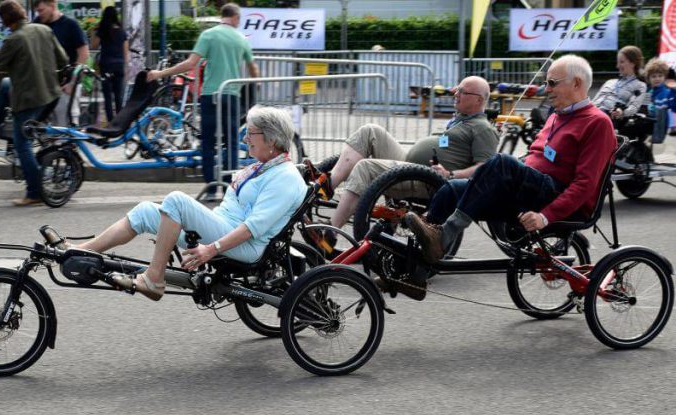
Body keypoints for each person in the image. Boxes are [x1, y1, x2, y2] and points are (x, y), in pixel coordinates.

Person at [401, 55, 616, 299]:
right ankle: (414, 272)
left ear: (577, 84)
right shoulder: (557, 115)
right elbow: (538, 157)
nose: (547, 89)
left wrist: (546, 217)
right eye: (547, 83)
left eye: (553, 83)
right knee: (452, 189)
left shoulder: (597, 123)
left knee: (502, 161)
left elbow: (585, 185)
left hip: (553, 195)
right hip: (531, 188)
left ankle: (443, 236)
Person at [75, 106, 307, 301]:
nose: (245, 138)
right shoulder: (264, 166)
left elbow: (252, 228)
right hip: (226, 227)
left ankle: (154, 278)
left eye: (251, 133)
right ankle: (80, 251)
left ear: (272, 140)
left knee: (176, 201)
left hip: (247, 245)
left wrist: (210, 249)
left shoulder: (284, 177)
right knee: (145, 211)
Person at [309, 75, 498, 230]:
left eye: (462, 92)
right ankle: (328, 186)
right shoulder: (460, 120)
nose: (456, 94)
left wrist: (451, 174)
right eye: (457, 89)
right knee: (370, 130)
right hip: (411, 166)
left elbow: (484, 169)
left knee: (364, 167)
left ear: (479, 99)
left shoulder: (483, 128)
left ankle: (331, 231)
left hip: (426, 180)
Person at [147, 3, 260, 200]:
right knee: (232, 142)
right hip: (232, 94)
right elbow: (253, 70)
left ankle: (209, 188)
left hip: (210, 95)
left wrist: (160, 73)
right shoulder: (241, 39)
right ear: (235, 18)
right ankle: (228, 189)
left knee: (208, 141)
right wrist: (253, 87)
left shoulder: (208, 35)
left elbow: (190, 63)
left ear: (222, 15)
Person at [0, 0, 68, 206]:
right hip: (51, 95)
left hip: (29, 100)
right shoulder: (44, 30)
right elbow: (63, 59)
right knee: (6, 83)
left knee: (23, 145)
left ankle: (35, 192)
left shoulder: (14, 40)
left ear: (5, 20)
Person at [34, 0, 89, 126]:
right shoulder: (37, 24)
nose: (39, 14)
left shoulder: (70, 25)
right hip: (44, 86)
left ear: (52, 6)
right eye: (37, 11)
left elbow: (84, 53)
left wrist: (72, 82)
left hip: (66, 85)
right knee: (46, 130)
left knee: (65, 127)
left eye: (41, 10)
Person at [90, 6, 129, 123]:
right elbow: (126, 54)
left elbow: (93, 46)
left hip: (106, 66)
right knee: (118, 96)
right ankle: (120, 121)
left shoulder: (102, 31)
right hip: (119, 66)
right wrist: (125, 68)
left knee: (107, 96)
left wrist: (93, 31)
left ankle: (111, 122)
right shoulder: (122, 32)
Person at [593, 45, 647, 122]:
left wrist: (622, 112)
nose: (617, 66)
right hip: (592, 114)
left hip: (607, 119)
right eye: (618, 62)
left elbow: (633, 106)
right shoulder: (610, 82)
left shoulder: (640, 85)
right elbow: (593, 101)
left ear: (633, 63)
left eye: (621, 62)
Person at [644, 58, 675, 144]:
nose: (657, 79)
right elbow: (643, 108)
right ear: (648, 78)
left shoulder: (668, 92)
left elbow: (673, 107)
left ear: (664, 77)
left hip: (659, 131)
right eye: (654, 76)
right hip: (646, 130)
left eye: (660, 76)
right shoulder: (647, 92)